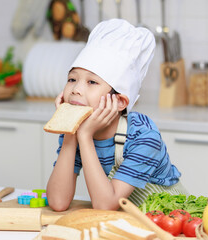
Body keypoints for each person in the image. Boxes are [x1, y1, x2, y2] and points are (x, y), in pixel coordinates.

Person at [46, 19, 187, 211]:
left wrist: (85, 137)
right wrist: (71, 134)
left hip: (169, 223)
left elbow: (105, 205)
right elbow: (57, 202)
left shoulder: (144, 136)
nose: (76, 89)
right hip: (127, 224)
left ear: (120, 102)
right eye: (72, 79)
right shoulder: (75, 131)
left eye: (92, 82)